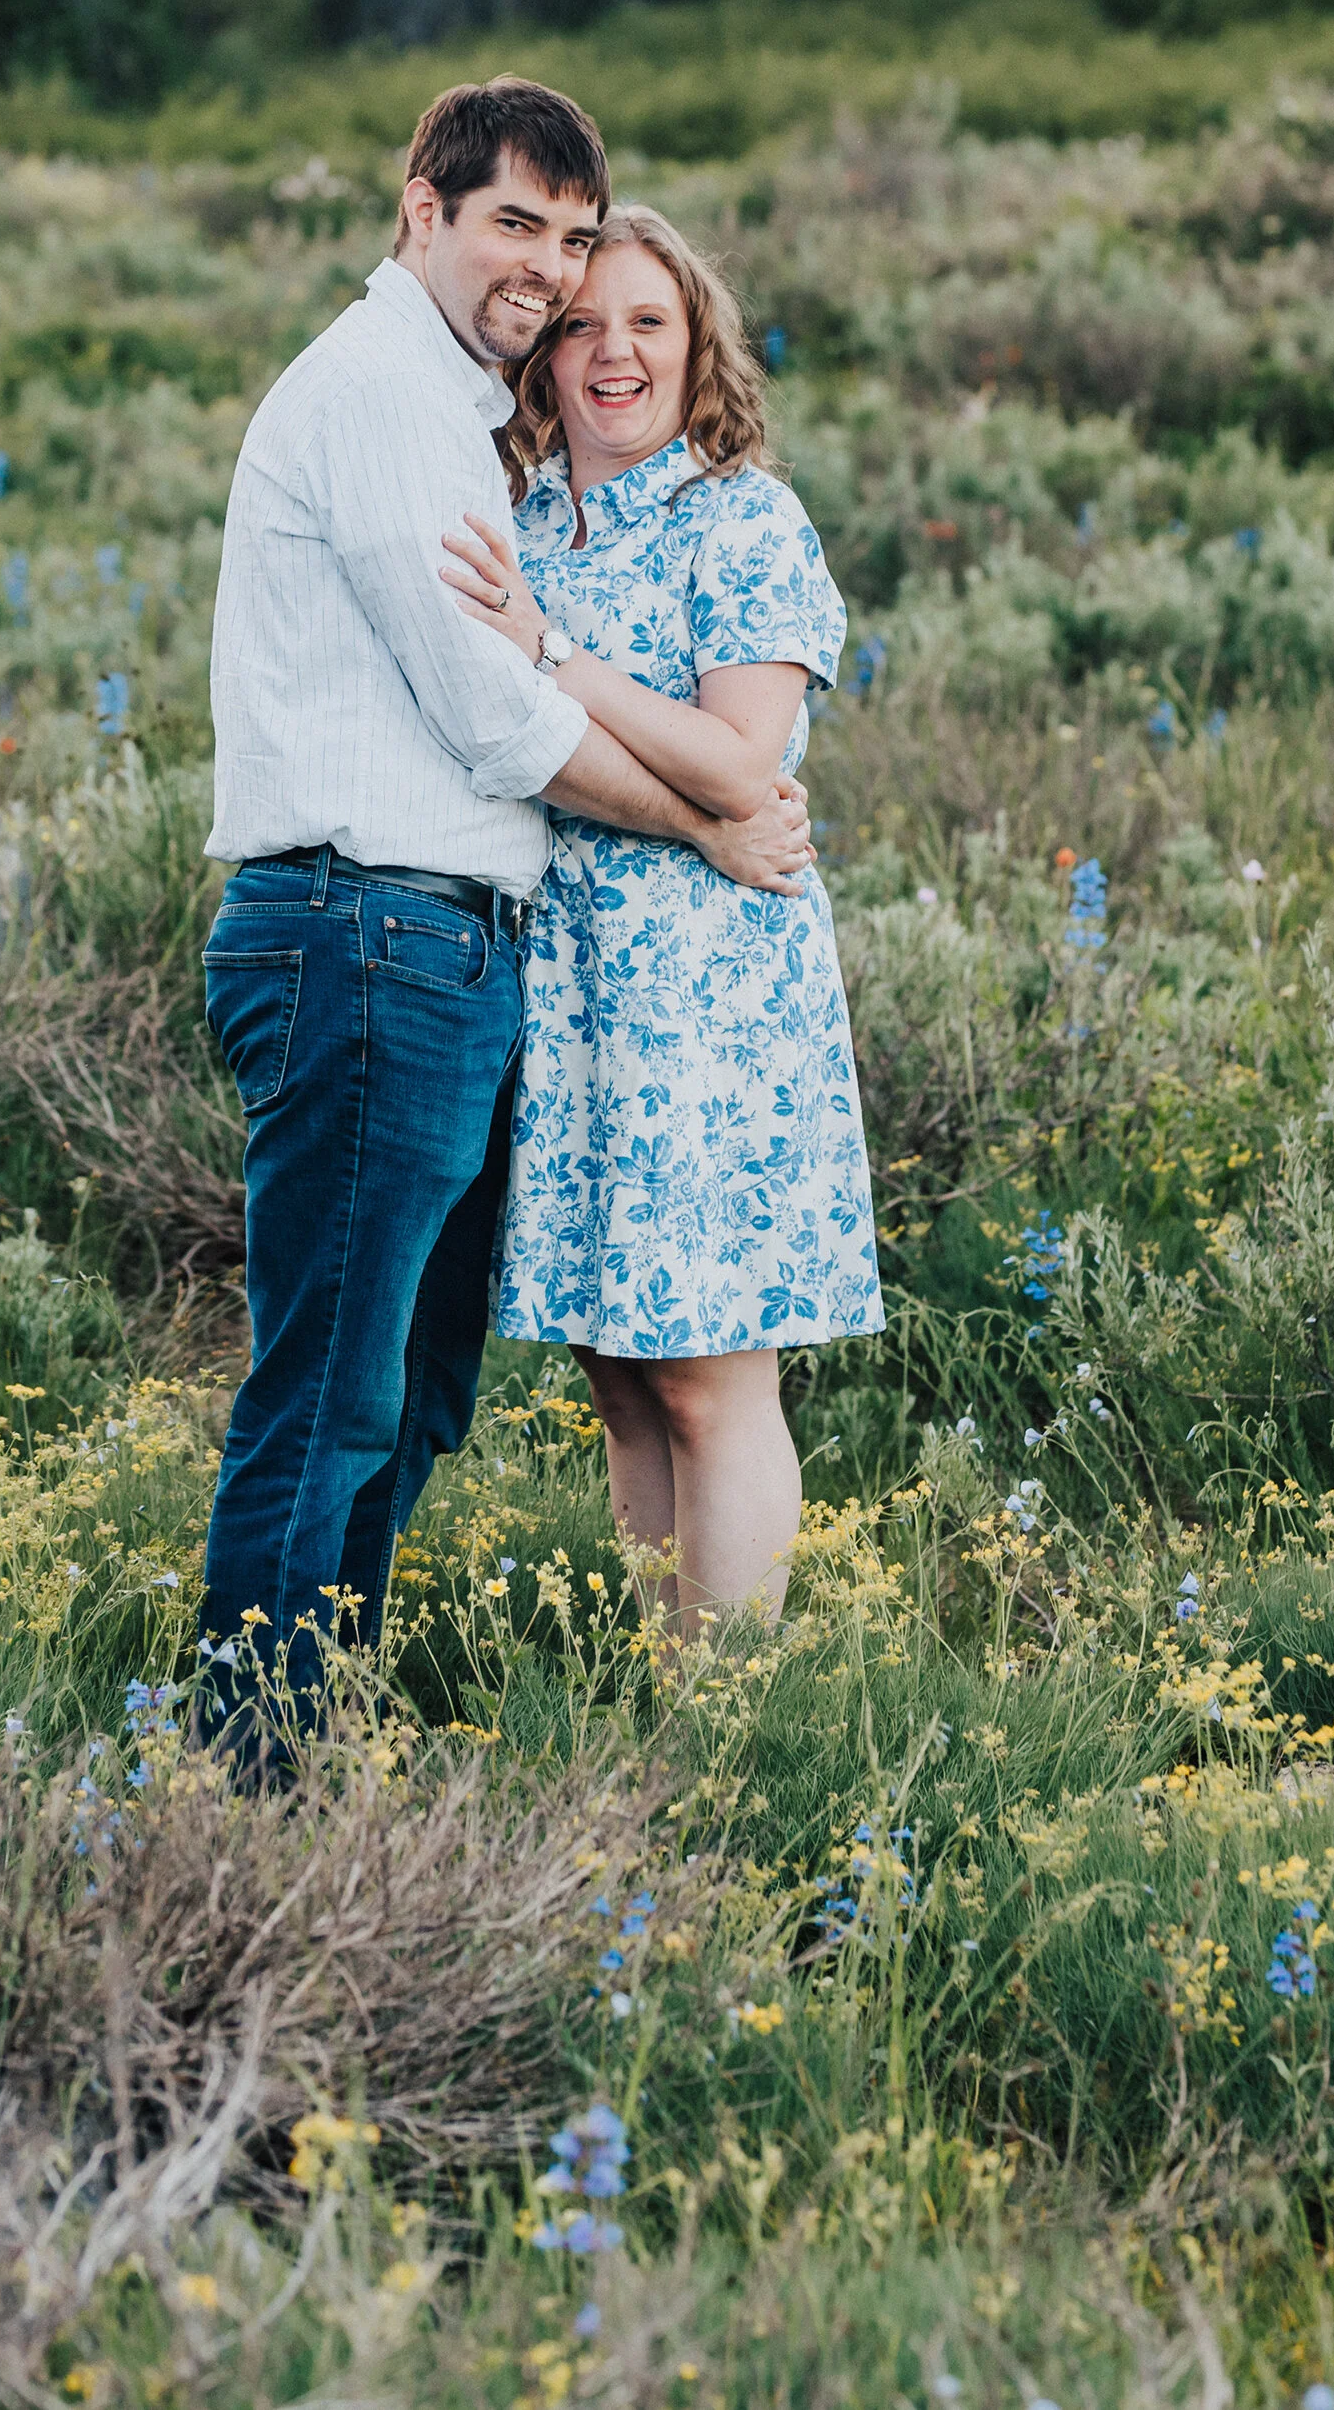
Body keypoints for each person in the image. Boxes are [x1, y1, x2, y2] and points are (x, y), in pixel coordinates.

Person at [197, 80, 812, 1744]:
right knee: (334, 1398)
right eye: (515, 229)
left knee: (405, 1398)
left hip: (452, 956)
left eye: (573, 238)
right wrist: (718, 818)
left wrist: (721, 792)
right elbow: (497, 724)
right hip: (368, 931)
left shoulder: (487, 433)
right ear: (423, 209)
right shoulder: (395, 401)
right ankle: (250, 1762)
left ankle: (307, 1728)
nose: (545, 275)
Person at [439, 204, 881, 1635]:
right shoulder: (511, 517)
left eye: (647, 322)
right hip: (568, 981)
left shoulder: (738, 512)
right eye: (579, 323)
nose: (610, 351)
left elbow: (743, 760)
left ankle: (733, 1710)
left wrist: (552, 651)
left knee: (707, 1370)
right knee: (619, 1366)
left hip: (708, 984)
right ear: (539, 354)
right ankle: (662, 1679)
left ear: (698, 349)